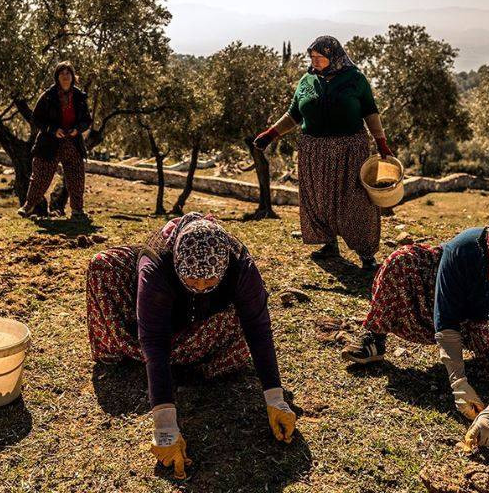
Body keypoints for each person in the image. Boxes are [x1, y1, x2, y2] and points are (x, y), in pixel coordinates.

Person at [86, 213, 296, 479]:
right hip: (159, 321)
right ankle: (155, 358)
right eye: (191, 281)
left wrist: (276, 400)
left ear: (222, 269)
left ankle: (188, 361)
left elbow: (258, 329)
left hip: (203, 324)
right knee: (102, 265)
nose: (199, 288)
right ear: (176, 264)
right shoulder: (156, 267)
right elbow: (154, 339)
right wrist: (165, 425)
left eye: (209, 282)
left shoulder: (241, 266)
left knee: (241, 325)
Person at [341, 209, 489, 448]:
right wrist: (458, 381)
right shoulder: (465, 249)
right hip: (444, 305)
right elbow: (445, 317)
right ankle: (375, 338)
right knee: (401, 260)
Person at [253, 36, 391, 270]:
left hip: (350, 149)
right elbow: (294, 114)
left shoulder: (355, 79)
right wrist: (270, 134)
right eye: (312, 57)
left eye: (320, 57)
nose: (314, 61)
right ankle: (329, 244)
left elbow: (370, 112)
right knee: (318, 198)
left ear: (334, 56)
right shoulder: (307, 81)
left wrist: (381, 142)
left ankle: (366, 253)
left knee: (356, 201)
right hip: (314, 150)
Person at [18, 61, 92, 220]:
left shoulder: (79, 97)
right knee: (41, 175)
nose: (65, 76)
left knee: (76, 176)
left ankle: (77, 211)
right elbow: (36, 119)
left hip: (72, 142)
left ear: (73, 77)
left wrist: (77, 129)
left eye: (68, 73)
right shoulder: (47, 96)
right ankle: (28, 206)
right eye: (62, 73)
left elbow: (87, 120)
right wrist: (52, 130)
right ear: (57, 77)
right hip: (49, 142)